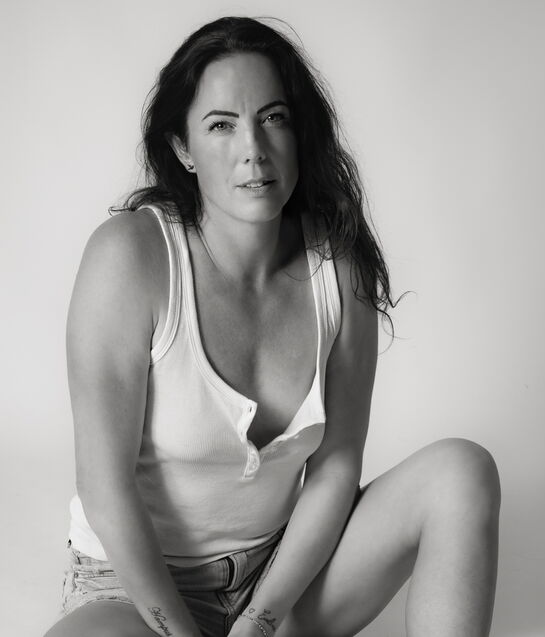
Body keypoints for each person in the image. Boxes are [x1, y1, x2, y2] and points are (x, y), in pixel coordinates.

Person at [44, 16, 500, 637]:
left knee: (461, 473)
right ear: (183, 149)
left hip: (281, 578)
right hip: (134, 591)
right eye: (221, 125)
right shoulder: (130, 257)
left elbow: (336, 468)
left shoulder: (338, 266)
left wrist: (260, 619)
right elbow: (105, 489)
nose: (253, 149)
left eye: (273, 117)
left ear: (298, 132)